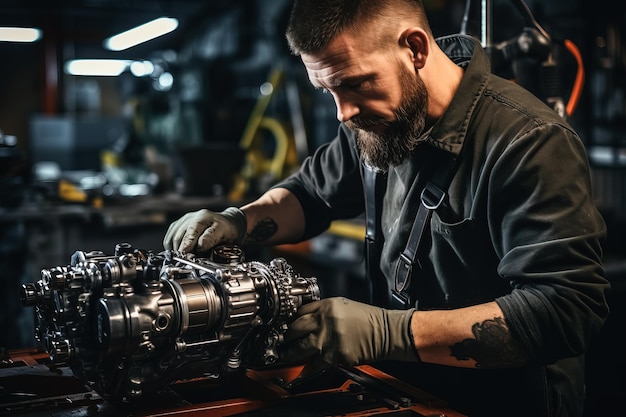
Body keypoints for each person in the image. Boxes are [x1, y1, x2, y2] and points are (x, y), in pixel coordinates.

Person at [163, 1, 609, 416]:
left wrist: (385, 332)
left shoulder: (527, 142)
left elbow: (563, 310)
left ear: (414, 47)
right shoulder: (373, 119)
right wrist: (239, 220)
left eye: (355, 83)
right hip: (408, 387)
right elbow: (310, 194)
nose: (343, 113)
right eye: (328, 90)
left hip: (501, 401)